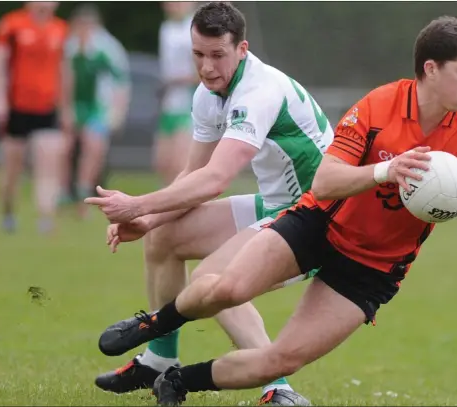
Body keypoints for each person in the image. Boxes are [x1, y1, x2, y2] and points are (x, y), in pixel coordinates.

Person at [94, 15, 457, 406]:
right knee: (220, 284)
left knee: (280, 359)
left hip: (374, 268)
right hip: (318, 222)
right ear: (431, 69)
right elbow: (323, 184)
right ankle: (156, 331)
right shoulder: (379, 105)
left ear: (241, 49)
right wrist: (385, 171)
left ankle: (179, 379)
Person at [85, 2, 333, 405]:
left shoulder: (259, 92)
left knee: (211, 283)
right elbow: (193, 174)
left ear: (242, 49)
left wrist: (136, 205)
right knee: (165, 237)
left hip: (318, 219)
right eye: (198, 54)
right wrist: (148, 218)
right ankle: (159, 361)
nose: (207, 67)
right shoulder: (208, 94)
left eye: (217, 55)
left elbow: (216, 179)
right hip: (278, 205)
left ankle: (278, 386)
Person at [0, 1, 70, 234]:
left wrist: (66, 107)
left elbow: (64, 70)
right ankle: (8, 211)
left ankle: (45, 217)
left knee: (48, 162)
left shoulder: (60, 29)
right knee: (13, 167)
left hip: (47, 107)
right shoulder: (12, 24)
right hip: (17, 107)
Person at [59, 4, 131, 217]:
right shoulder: (69, 46)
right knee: (65, 147)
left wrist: (117, 112)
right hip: (77, 104)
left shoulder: (106, 49)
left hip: (98, 108)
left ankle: (84, 192)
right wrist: (65, 108)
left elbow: (121, 81)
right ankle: (63, 191)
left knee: (93, 146)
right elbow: (65, 78)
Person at [154, 1, 199, 185]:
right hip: (168, 104)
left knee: (180, 164)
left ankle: (183, 209)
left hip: (188, 104)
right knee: (162, 163)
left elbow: (203, 72)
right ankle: (168, 208)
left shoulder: (196, 29)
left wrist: (179, 80)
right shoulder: (165, 29)